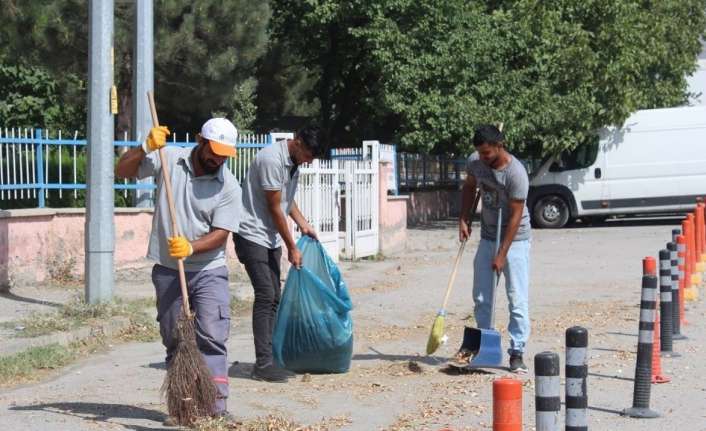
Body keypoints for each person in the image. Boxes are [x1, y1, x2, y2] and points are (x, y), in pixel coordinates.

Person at [116, 118, 242, 420]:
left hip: (209, 269)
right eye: (214, 151)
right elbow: (121, 171)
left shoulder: (229, 186)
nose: (218, 159)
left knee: (211, 336)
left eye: (225, 154)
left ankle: (216, 410)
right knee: (176, 339)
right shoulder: (168, 158)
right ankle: (183, 406)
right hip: (169, 270)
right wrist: (145, 147)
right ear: (200, 141)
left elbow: (221, 233)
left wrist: (190, 247)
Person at [234, 125, 325, 383]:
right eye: (307, 154)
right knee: (266, 294)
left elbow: (287, 200)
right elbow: (275, 208)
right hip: (250, 233)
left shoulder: (293, 162)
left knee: (275, 296)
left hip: (269, 236)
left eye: (311, 158)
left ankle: (269, 358)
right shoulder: (272, 160)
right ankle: (263, 364)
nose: (308, 161)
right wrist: (292, 247)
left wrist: (303, 224)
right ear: (296, 141)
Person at [457, 124, 531, 373]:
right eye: (480, 153)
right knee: (482, 296)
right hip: (488, 235)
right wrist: (464, 218)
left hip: (516, 239)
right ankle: (483, 346)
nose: (483, 158)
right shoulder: (476, 162)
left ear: (500, 146)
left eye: (487, 153)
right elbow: (469, 186)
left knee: (516, 298)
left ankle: (517, 351)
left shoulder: (516, 173)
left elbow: (515, 216)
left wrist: (502, 254)